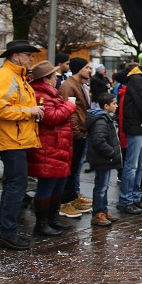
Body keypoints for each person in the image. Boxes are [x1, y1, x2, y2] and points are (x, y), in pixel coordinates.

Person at [0, 40, 42, 250]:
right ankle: (6, 232)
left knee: (15, 185)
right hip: (11, 140)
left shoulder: (18, 76)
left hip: (17, 138)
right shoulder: (6, 76)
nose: (31, 59)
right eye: (29, 55)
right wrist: (28, 112)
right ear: (16, 56)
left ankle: (6, 231)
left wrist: (32, 111)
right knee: (15, 186)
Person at [26, 60, 78, 238]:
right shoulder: (41, 94)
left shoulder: (51, 93)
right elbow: (51, 117)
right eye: (54, 77)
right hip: (49, 147)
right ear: (47, 79)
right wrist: (69, 106)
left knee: (58, 185)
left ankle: (52, 220)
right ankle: (42, 224)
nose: (56, 79)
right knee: (47, 185)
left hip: (58, 146)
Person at [117, 51, 142, 214]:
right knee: (132, 166)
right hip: (137, 126)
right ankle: (126, 199)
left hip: (141, 126)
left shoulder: (140, 79)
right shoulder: (138, 80)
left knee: (139, 165)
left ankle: (135, 197)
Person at [58, 57, 93, 217]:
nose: (89, 70)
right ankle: (65, 201)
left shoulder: (78, 84)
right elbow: (68, 110)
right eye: (87, 67)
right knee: (71, 167)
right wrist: (76, 131)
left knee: (76, 167)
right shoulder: (68, 85)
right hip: (75, 132)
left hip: (81, 130)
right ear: (79, 69)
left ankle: (72, 196)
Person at [86, 93, 122, 228]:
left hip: (104, 158)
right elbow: (98, 140)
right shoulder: (101, 120)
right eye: (114, 103)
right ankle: (98, 213)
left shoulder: (106, 118)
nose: (116, 106)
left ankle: (104, 210)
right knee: (101, 187)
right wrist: (111, 152)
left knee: (104, 186)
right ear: (106, 106)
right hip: (102, 159)